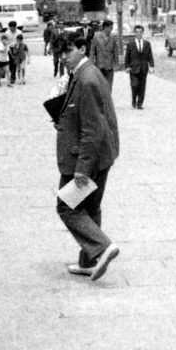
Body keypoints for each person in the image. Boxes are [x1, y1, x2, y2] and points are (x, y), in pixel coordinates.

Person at [55, 32, 120, 280]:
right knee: (90, 208)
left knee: (67, 206)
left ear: (82, 48)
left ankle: (103, 247)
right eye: (61, 53)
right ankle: (89, 260)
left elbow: (93, 128)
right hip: (100, 156)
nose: (64, 58)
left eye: (68, 51)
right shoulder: (85, 74)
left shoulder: (87, 79)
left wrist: (82, 168)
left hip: (86, 159)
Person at [124, 23, 154, 109]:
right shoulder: (130, 44)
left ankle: (139, 103)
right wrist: (127, 67)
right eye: (137, 32)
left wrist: (151, 66)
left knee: (142, 86)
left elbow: (150, 55)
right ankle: (134, 99)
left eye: (140, 32)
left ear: (143, 33)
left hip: (144, 68)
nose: (139, 34)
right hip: (133, 68)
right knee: (134, 85)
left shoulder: (147, 44)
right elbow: (127, 56)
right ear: (135, 33)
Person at [91, 19, 119, 88]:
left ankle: (107, 98)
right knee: (99, 86)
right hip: (99, 65)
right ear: (105, 27)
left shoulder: (113, 37)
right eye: (110, 28)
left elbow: (115, 51)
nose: (111, 30)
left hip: (109, 65)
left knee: (109, 86)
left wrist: (116, 63)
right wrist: (91, 62)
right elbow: (92, 51)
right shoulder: (96, 36)